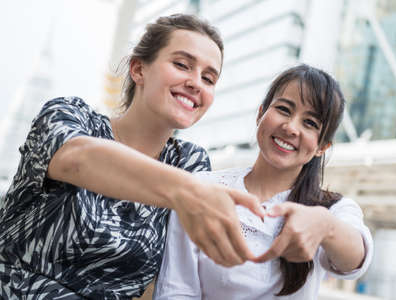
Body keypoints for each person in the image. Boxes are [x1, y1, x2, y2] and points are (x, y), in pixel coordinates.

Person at [0, 14, 265, 299]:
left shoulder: (189, 163)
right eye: (181, 65)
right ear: (138, 69)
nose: (196, 83)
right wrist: (189, 191)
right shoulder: (68, 115)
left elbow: (173, 272)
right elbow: (76, 159)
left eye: (209, 78)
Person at [153, 64, 374, 299]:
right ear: (261, 113)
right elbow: (176, 289)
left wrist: (325, 226)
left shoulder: (333, 209)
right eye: (283, 109)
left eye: (310, 123)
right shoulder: (202, 188)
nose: (290, 127)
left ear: (322, 147)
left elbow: (356, 261)